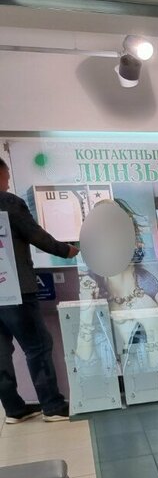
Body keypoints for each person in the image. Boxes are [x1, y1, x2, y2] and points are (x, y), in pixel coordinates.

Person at [0, 157, 77, 422]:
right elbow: (35, 235)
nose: (8, 181)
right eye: (6, 176)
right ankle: (52, 406)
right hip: (15, 289)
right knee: (37, 346)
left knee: (1, 352)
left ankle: (14, 409)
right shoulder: (9, 202)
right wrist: (66, 250)